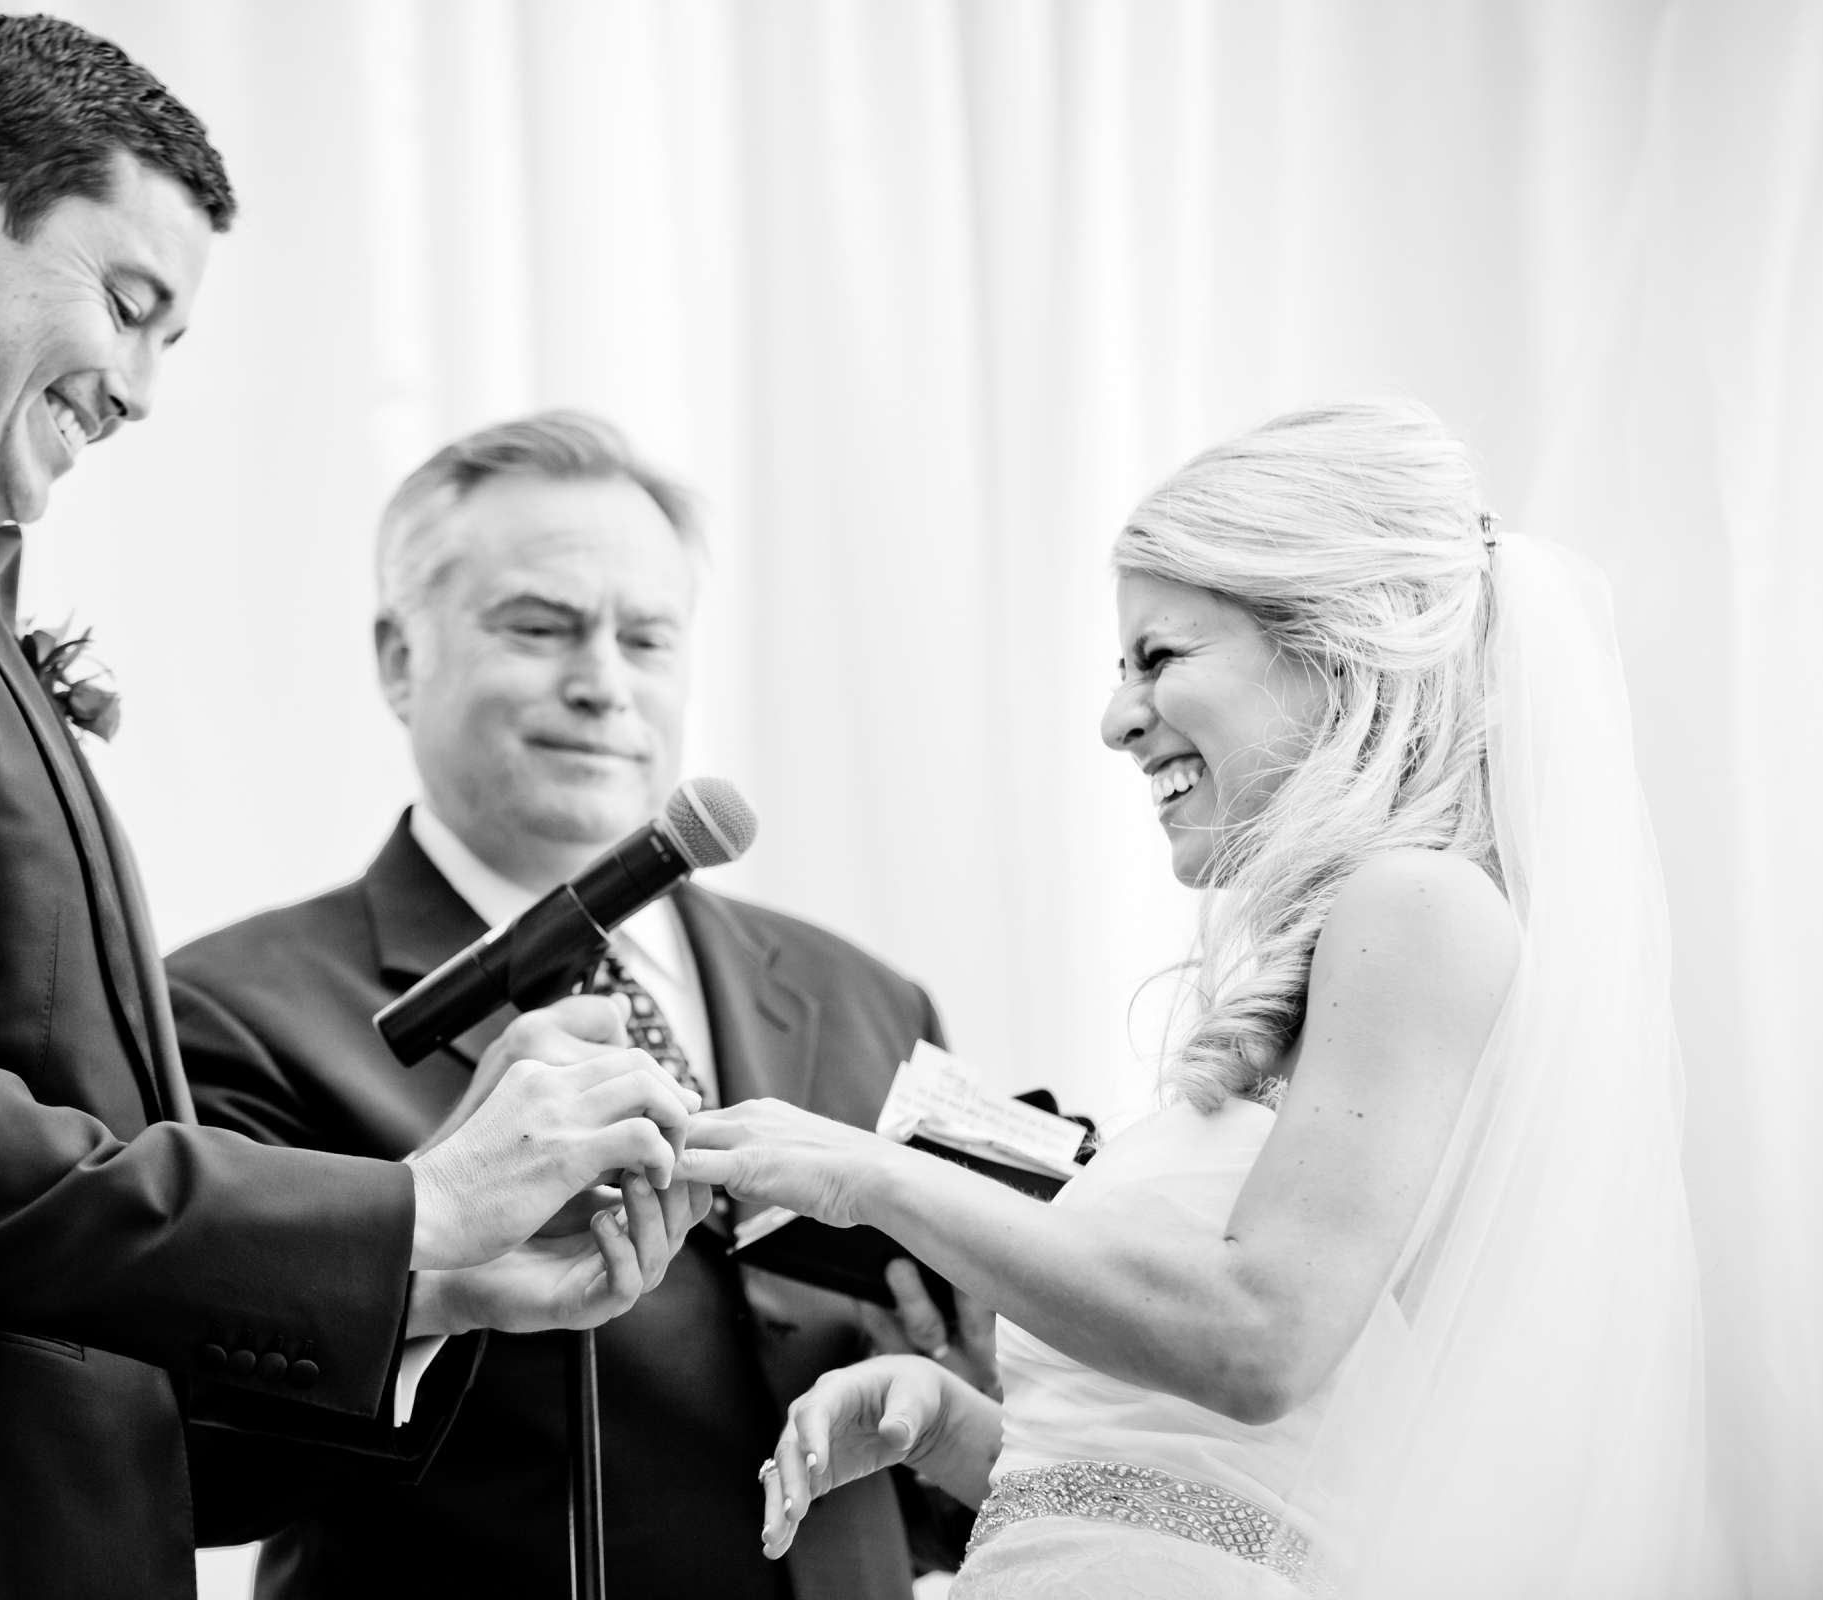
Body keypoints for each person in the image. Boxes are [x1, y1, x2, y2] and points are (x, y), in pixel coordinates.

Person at [0, 22, 703, 1599]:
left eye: (170, 342)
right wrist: (420, 1207)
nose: (137, 389)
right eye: (126, 306)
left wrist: (440, 1288)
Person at [678, 400, 1715, 1596]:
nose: (1116, 718)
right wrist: (945, 1423)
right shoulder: (1352, 947)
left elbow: (1261, 1340)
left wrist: (870, 1179)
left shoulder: (1418, 905)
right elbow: (1206, 1499)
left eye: (1159, 658)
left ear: (1337, 647)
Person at [168, 410, 980, 1598]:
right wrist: (425, 1250)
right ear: (400, 658)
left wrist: (974, 1393)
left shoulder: (865, 998)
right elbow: (205, 1462)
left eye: (646, 638)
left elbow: (942, 1510)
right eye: (541, 627)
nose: (602, 682)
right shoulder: (231, 1011)